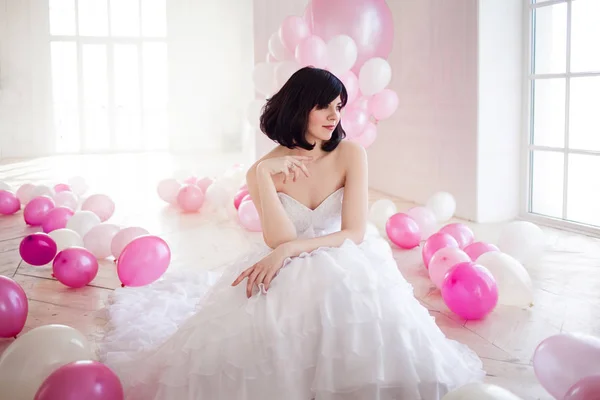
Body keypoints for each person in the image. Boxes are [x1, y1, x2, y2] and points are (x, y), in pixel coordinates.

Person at [98, 67, 485, 399]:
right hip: (289, 260)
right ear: (300, 107)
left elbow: (353, 232)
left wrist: (289, 251)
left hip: (345, 256)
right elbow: (278, 240)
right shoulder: (263, 169)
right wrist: (266, 177)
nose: (334, 116)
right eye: (325, 106)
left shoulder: (350, 154)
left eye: (339, 106)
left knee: (350, 309)